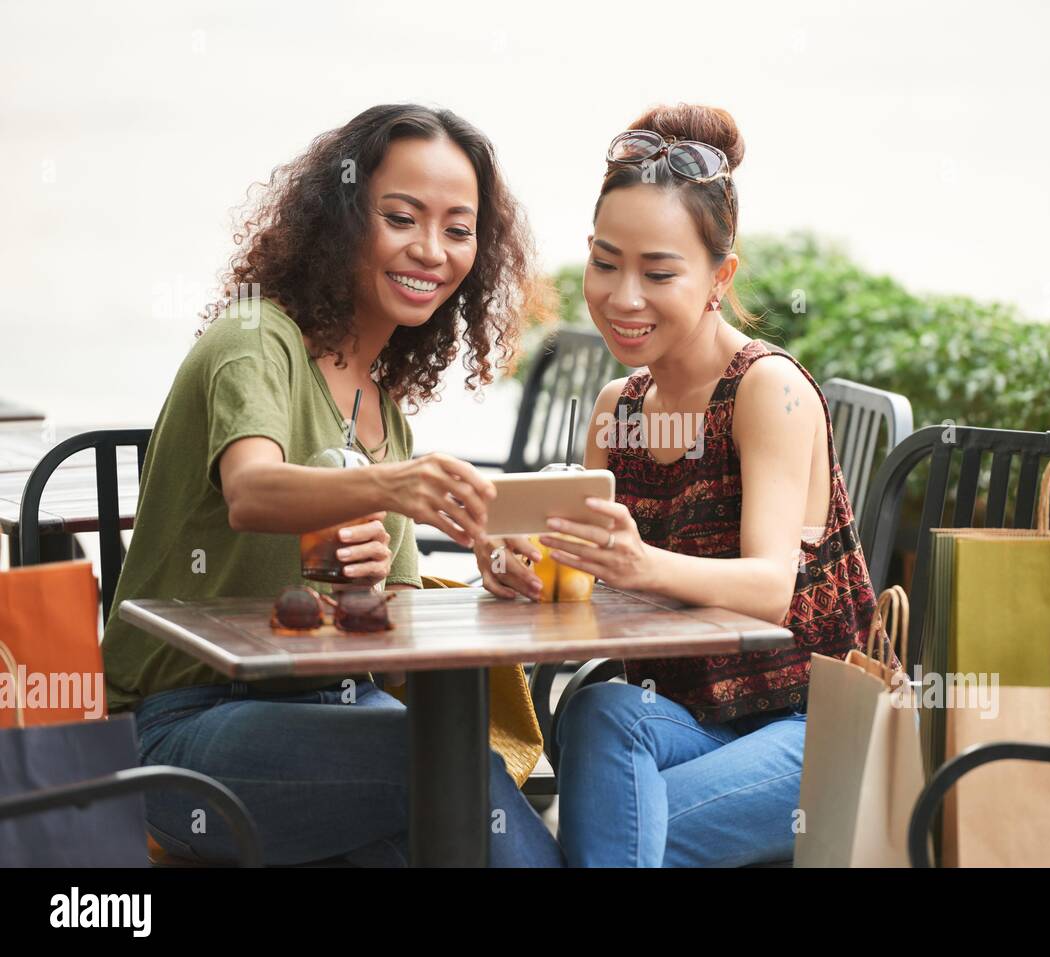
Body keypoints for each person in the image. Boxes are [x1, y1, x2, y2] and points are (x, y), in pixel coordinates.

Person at [102, 104, 563, 867]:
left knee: (423, 819)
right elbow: (251, 492)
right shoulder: (254, 337)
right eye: (401, 217)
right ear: (343, 219)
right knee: (452, 770)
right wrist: (397, 485)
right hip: (189, 729)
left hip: (333, 716)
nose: (431, 249)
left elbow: (394, 653)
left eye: (458, 228)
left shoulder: (385, 413)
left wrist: (487, 577)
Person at [474, 103, 886, 867]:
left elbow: (769, 587)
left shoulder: (768, 391)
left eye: (659, 271)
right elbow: (594, 592)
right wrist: (522, 571)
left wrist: (635, 564)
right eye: (605, 261)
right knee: (598, 709)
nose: (623, 296)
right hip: (680, 724)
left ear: (718, 278)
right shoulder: (617, 409)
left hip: (809, 730)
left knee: (607, 838)